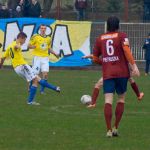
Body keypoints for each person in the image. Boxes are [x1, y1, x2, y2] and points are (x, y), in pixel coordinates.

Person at [93, 16, 140, 137]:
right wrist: (134, 66)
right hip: (122, 73)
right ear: (118, 25)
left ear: (107, 25)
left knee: (108, 101)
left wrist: (105, 62)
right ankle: (115, 128)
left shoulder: (100, 38)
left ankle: (108, 130)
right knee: (121, 99)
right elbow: (127, 51)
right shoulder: (122, 36)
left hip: (108, 73)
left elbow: (94, 58)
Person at [0, 32, 60, 105]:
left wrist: (1, 65)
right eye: (24, 40)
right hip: (22, 66)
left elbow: (2, 58)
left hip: (17, 68)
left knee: (36, 79)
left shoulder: (9, 46)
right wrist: (17, 46)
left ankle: (55, 88)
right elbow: (16, 47)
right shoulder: (16, 44)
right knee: (36, 80)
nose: (24, 42)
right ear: (20, 38)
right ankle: (30, 101)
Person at [28, 24, 59, 94]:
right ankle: (30, 86)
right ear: (40, 29)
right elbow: (29, 45)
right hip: (37, 58)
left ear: (46, 29)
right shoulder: (35, 36)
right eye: (42, 28)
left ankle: (42, 90)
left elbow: (49, 48)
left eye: (44, 28)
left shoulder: (48, 38)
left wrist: (55, 54)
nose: (43, 29)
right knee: (34, 74)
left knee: (45, 75)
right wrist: (33, 46)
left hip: (45, 58)